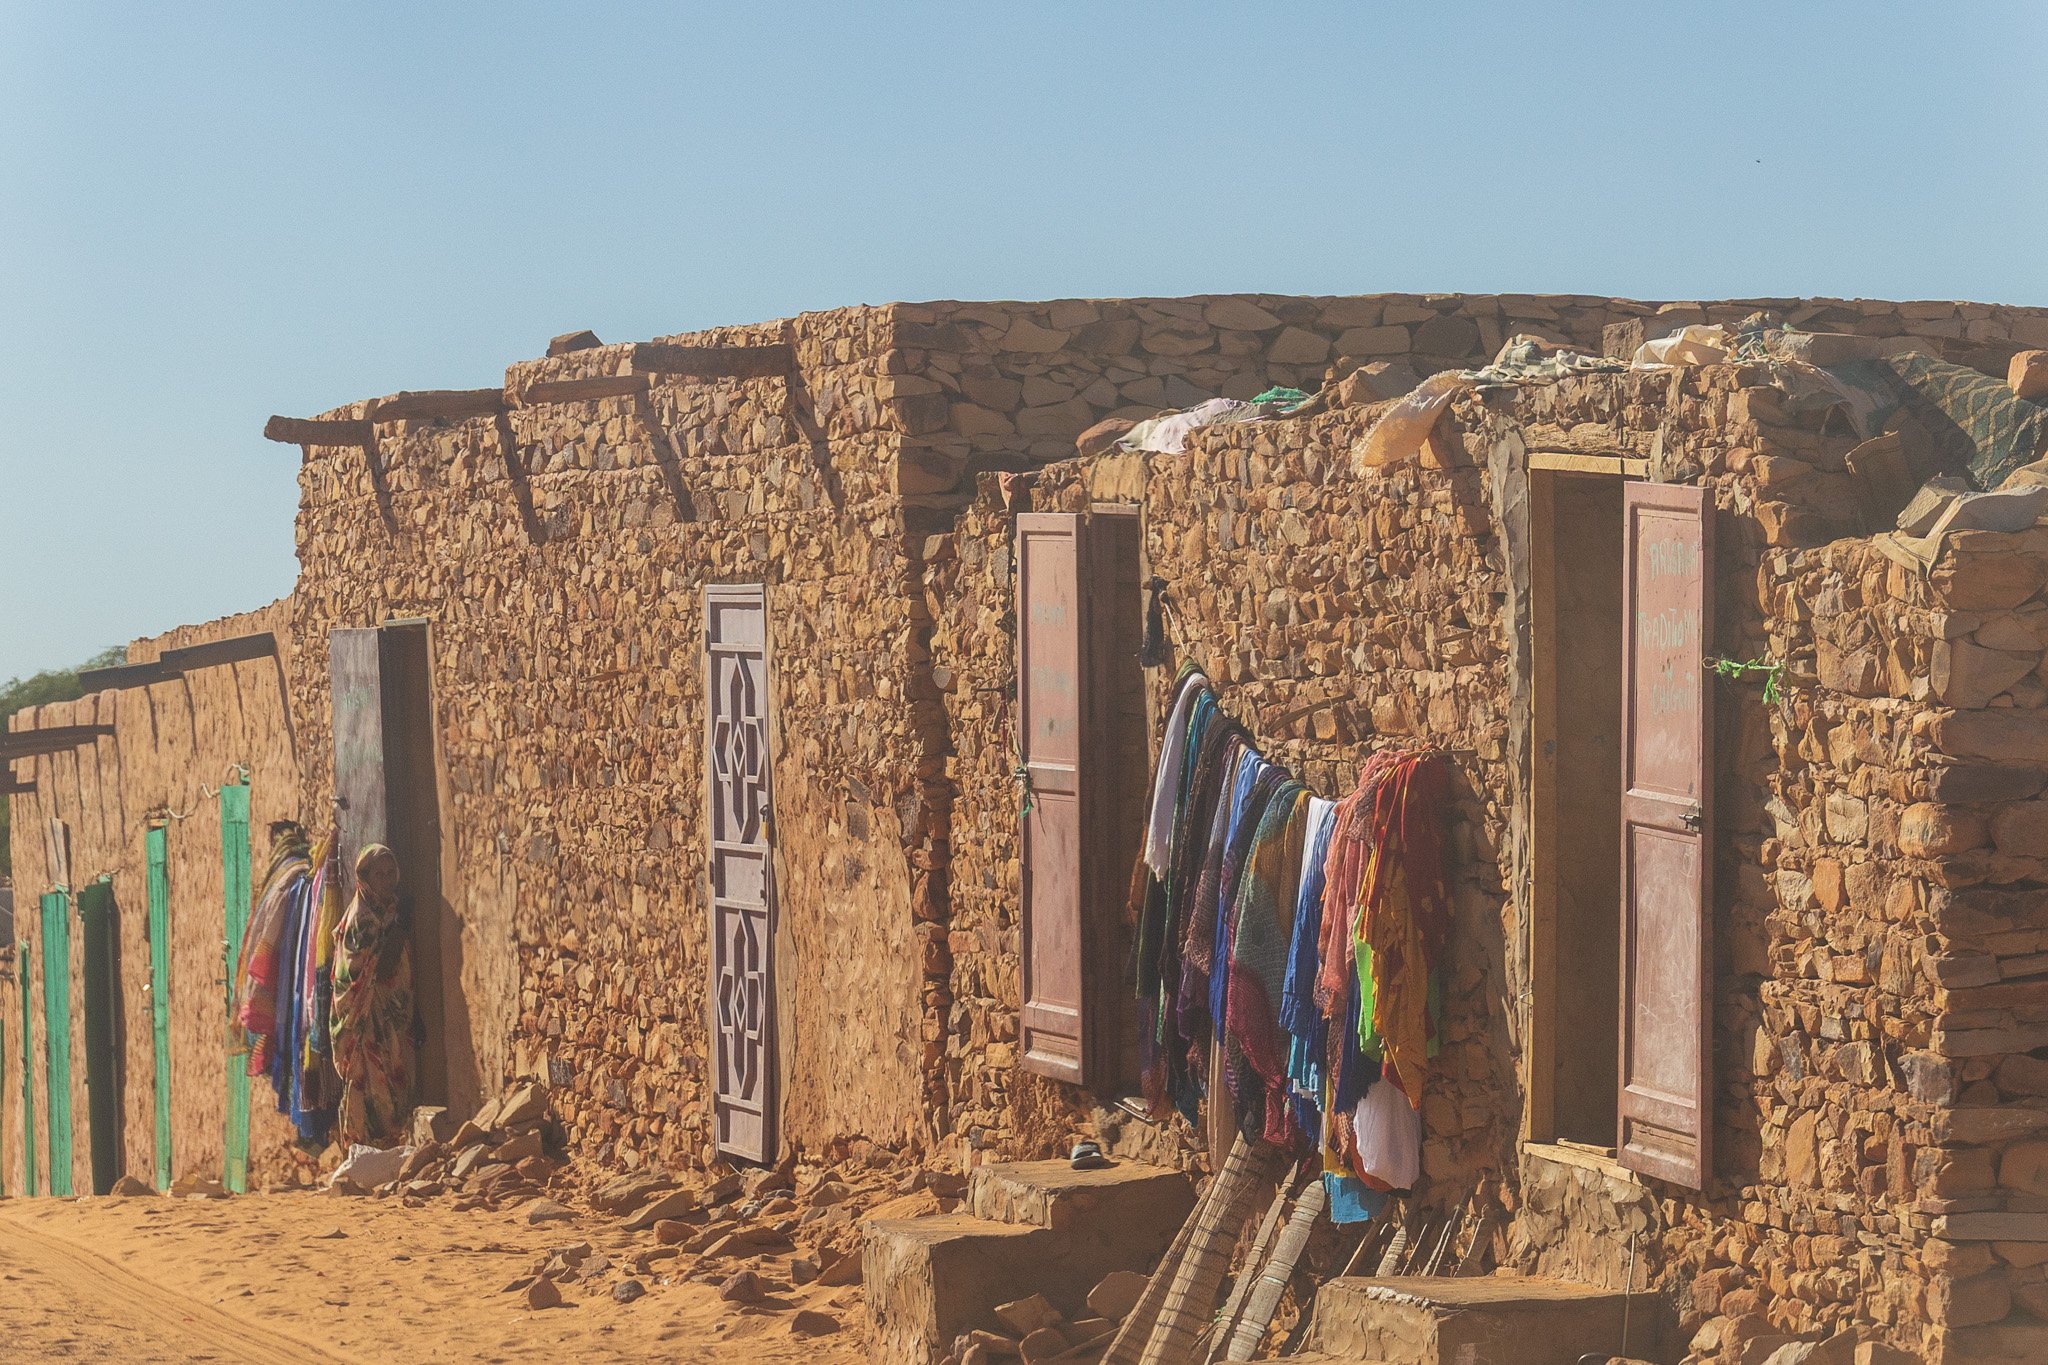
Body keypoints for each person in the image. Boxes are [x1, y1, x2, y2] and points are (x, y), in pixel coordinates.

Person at [329, 843, 417, 1147]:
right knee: (370, 1082)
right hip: (364, 1017)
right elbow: (376, 970)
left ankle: (388, 1151)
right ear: (365, 878)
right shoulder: (363, 919)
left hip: (387, 1013)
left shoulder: (387, 910)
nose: (387, 880)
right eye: (380, 874)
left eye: (391, 873)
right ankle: (369, 1150)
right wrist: (401, 929)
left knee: (391, 1078)